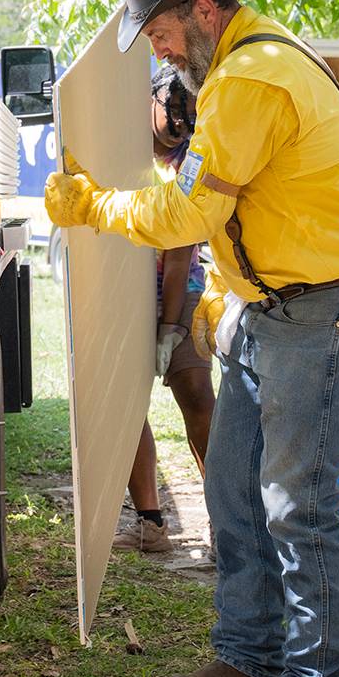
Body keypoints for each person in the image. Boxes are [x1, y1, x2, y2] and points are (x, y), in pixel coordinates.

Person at [46, 0, 339, 677]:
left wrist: (93, 205)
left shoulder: (250, 76)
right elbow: (252, 206)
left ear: (204, 9)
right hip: (277, 305)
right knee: (233, 493)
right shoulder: (245, 63)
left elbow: (188, 215)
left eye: (163, 31)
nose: (159, 50)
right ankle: (248, 657)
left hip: (329, 307)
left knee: (294, 501)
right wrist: (226, 296)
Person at [116, 70, 219, 553]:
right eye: (172, 115)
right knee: (128, 405)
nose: (179, 126)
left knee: (197, 395)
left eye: (187, 119)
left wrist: (170, 327)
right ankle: (151, 522)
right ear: (149, 99)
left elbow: (179, 257)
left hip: (182, 290)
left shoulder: (191, 162)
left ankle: (226, 521)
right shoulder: (118, 151)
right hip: (125, 289)